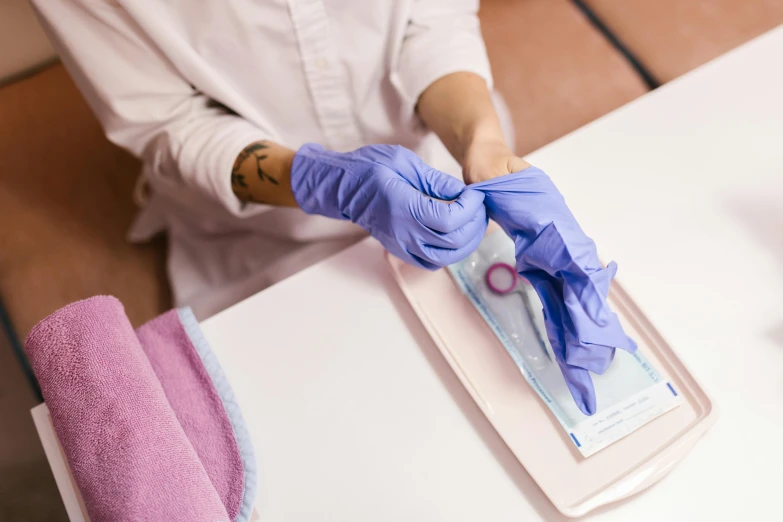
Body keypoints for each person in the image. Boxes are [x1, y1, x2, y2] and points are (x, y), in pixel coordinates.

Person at [32, 0, 635, 414]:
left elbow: (431, 17)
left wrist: (480, 139)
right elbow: (170, 125)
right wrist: (324, 183)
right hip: (264, 230)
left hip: (440, 147)